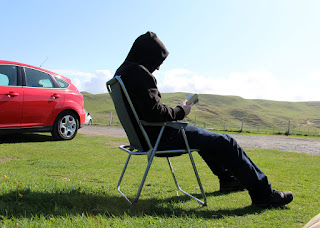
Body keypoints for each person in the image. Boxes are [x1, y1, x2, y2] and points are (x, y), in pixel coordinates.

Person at [114, 31, 293, 208]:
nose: (159, 67)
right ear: (147, 55)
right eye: (158, 61)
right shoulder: (139, 72)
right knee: (227, 141)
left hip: (144, 138)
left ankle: (229, 180)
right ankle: (263, 195)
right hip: (160, 139)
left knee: (209, 139)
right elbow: (154, 112)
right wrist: (181, 111)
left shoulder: (123, 72)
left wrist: (177, 111)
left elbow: (147, 110)